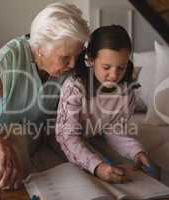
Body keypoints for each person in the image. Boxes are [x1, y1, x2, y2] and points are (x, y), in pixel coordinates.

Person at [0, 2, 89, 194]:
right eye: (65, 57)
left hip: (24, 133)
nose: (72, 64)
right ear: (40, 48)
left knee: (15, 134)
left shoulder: (73, 65)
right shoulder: (11, 57)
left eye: (77, 54)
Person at [55, 25, 151, 184]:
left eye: (121, 68)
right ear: (91, 60)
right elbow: (67, 136)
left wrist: (136, 151)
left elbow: (115, 130)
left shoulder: (126, 93)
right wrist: (97, 167)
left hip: (92, 136)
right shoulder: (74, 88)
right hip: (61, 139)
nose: (114, 76)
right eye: (106, 67)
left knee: (124, 170)